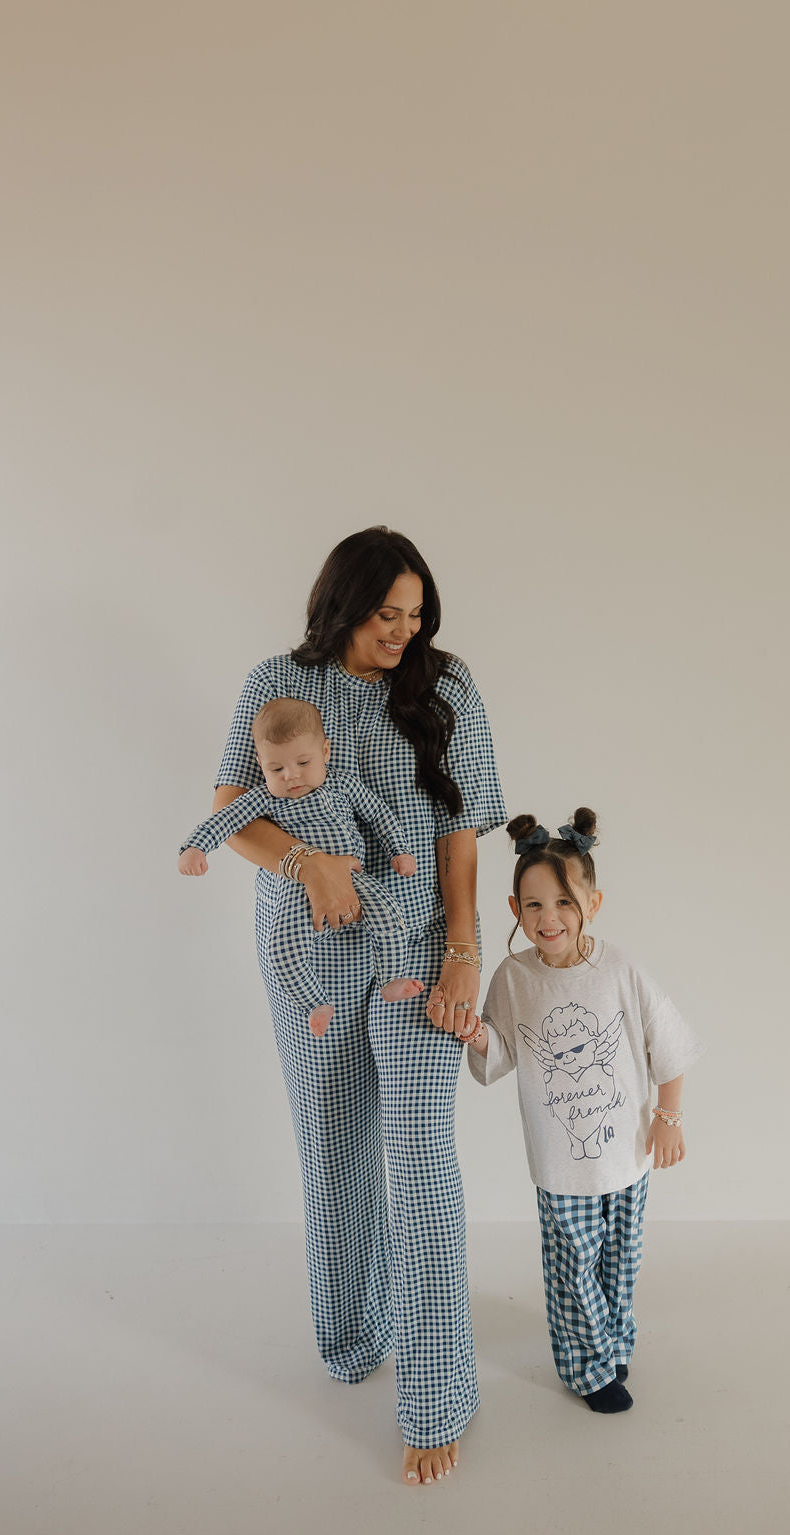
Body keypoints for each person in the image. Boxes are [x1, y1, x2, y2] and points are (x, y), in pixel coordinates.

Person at [206, 527, 505, 1485]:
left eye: (417, 617)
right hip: (310, 944)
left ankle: (436, 1395)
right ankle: (350, 1332)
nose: (403, 632)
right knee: (333, 1141)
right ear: (343, 603)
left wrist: (464, 954)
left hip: (419, 940)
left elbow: (461, 836)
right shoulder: (274, 685)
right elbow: (229, 801)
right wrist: (307, 864)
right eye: (387, 615)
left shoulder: (448, 687)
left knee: (418, 1152)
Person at [432, 808, 703, 1414]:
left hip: (627, 1156)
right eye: (533, 906)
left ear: (593, 902)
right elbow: (500, 1054)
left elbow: (671, 1045)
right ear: (513, 910)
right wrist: (476, 1033)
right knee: (572, 1270)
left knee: (621, 1262)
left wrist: (670, 1117)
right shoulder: (513, 976)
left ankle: (613, 1343)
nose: (548, 919)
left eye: (562, 902)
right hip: (561, 1166)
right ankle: (588, 1369)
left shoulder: (621, 969)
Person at [178, 697, 422, 1038]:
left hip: (353, 875)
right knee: (280, 949)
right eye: (276, 769)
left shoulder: (343, 783)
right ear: (261, 764)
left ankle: (391, 980)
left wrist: (399, 851)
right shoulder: (265, 797)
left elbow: (379, 814)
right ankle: (314, 1003)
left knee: (392, 919)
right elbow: (226, 819)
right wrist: (195, 846)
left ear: (325, 752)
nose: (291, 775)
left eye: (302, 762)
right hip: (296, 887)